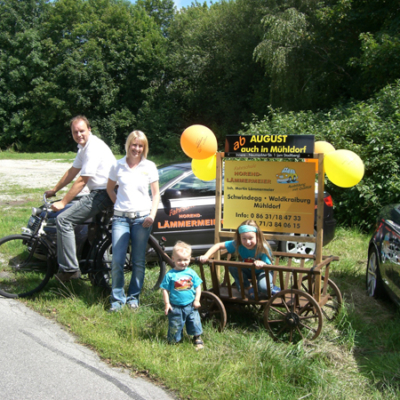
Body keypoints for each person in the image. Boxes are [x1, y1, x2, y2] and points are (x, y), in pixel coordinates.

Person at [45, 116, 116, 282]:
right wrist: (55, 189)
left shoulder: (93, 147)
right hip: (101, 192)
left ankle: (70, 269)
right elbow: (73, 171)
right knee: (97, 235)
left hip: (103, 193)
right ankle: (99, 277)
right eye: (75, 132)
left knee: (63, 220)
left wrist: (63, 202)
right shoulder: (83, 148)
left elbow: (83, 179)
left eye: (82, 131)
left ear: (89, 130)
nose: (79, 134)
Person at [106, 130, 160, 311]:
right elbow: (109, 189)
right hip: (120, 219)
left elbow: (155, 194)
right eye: (134, 144)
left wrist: (151, 215)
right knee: (117, 260)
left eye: (140, 145)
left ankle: (133, 298)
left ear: (144, 148)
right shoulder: (117, 165)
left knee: (138, 261)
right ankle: (117, 299)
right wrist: (119, 205)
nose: (136, 148)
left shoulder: (149, 166)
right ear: (128, 145)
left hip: (142, 219)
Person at [199, 219, 280, 298]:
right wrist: (206, 256)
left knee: (264, 288)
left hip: (263, 272)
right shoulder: (238, 244)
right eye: (244, 238)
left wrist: (263, 264)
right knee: (232, 266)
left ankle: (271, 288)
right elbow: (218, 245)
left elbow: (269, 265)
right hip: (248, 270)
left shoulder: (263, 247)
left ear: (257, 237)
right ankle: (249, 288)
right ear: (239, 238)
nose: (247, 242)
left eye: (251, 238)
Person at [160, 241, 204, 349]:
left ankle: (197, 338)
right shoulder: (170, 275)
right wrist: (167, 303)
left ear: (189, 259)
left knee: (195, 322)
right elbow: (165, 290)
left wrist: (197, 300)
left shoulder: (191, 273)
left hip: (190, 304)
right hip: (175, 306)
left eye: (185, 260)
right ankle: (174, 341)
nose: (183, 262)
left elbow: (198, 286)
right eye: (179, 260)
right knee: (175, 324)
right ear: (173, 259)